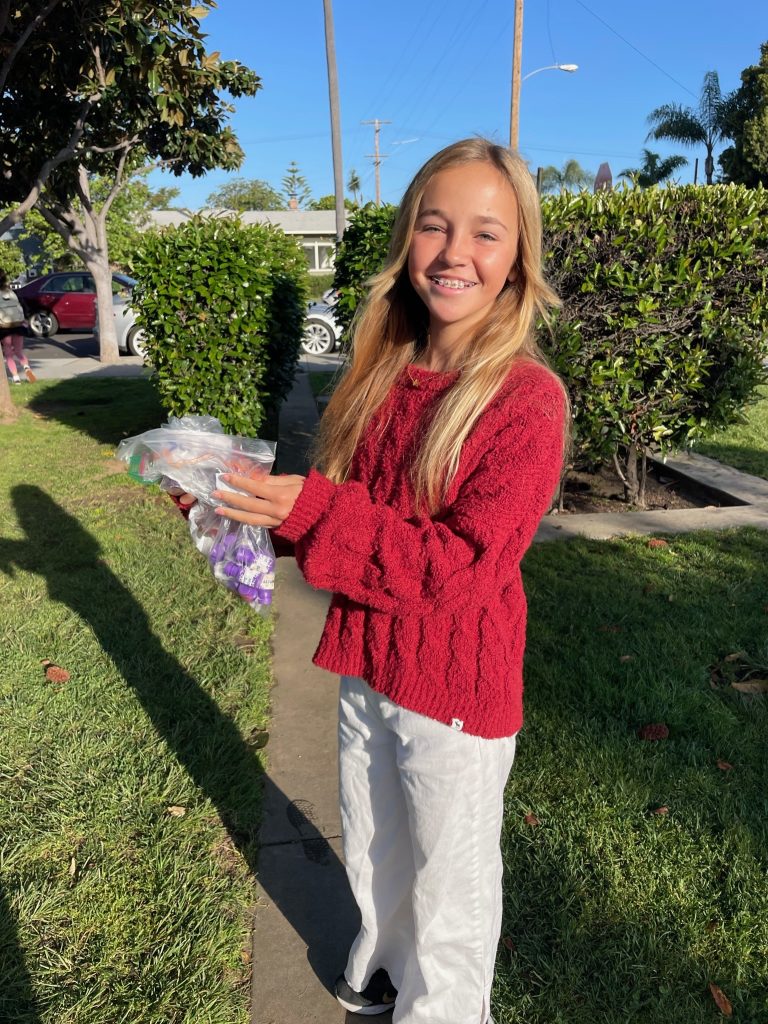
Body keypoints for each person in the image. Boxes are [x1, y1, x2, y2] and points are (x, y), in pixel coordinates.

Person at [185, 137, 567, 1023]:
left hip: (455, 688)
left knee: (450, 879)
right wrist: (236, 506)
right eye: (434, 225)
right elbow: (351, 522)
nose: (455, 252)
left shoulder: (525, 399)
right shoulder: (384, 372)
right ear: (406, 239)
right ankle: (384, 966)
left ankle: (444, 1010)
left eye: (486, 233)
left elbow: (462, 568)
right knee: (375, 843)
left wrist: (316, 510)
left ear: (518, 259)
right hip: (368, 660)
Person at [0, 273, 36, 384]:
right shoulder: (12, 292)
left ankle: (16, 378)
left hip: (4, 327)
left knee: (8, 354)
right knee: (19, 352)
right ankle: (27, 368)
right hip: (18, 325)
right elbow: (22, 307)